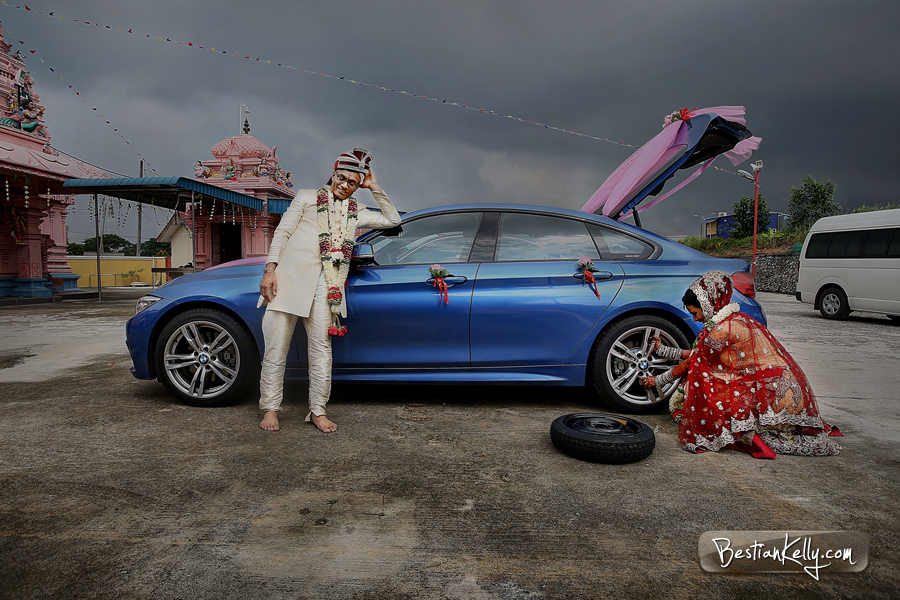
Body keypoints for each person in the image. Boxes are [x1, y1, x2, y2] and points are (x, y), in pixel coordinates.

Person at [257, 148, 401, 433]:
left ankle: (317, 411)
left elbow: (392, 220)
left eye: (352, 183)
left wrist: (374, 187)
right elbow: (283, 232)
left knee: (322, 350)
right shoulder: (307, 197)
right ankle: (270, 408)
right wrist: (270, 270)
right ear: (333, 174)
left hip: (328, 286)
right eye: (342, 178)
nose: (344, 186)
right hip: (289, 281)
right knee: (276, 349)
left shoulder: (355, 211)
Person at [642, 270, 842, 458]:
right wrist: (664, 351)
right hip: (780, 384)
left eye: (696, 313)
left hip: (777, 392)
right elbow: (700, 353)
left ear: (709, 304)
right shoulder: (735, 319)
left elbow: (693, 362)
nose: (695, 319)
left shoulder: (721, 330)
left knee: (702, 384)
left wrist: (658, 380)